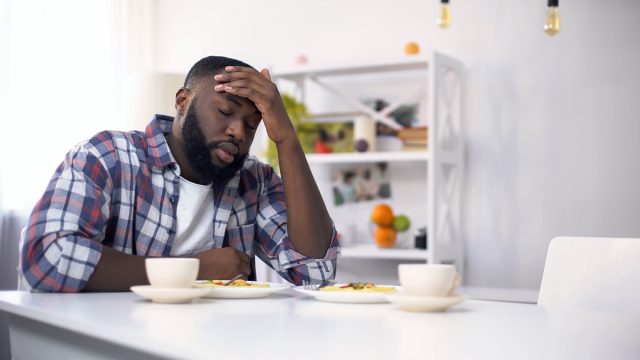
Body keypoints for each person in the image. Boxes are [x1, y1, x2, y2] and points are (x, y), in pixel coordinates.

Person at [19, 56, 339, 292]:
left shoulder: (254, 181)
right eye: (225, 111)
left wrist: (286, 138)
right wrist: (194, 269)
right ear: (182, 102)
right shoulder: (108, 156)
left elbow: (315, 271)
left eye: (253, 124)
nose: (238, 131)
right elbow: (46, 258)